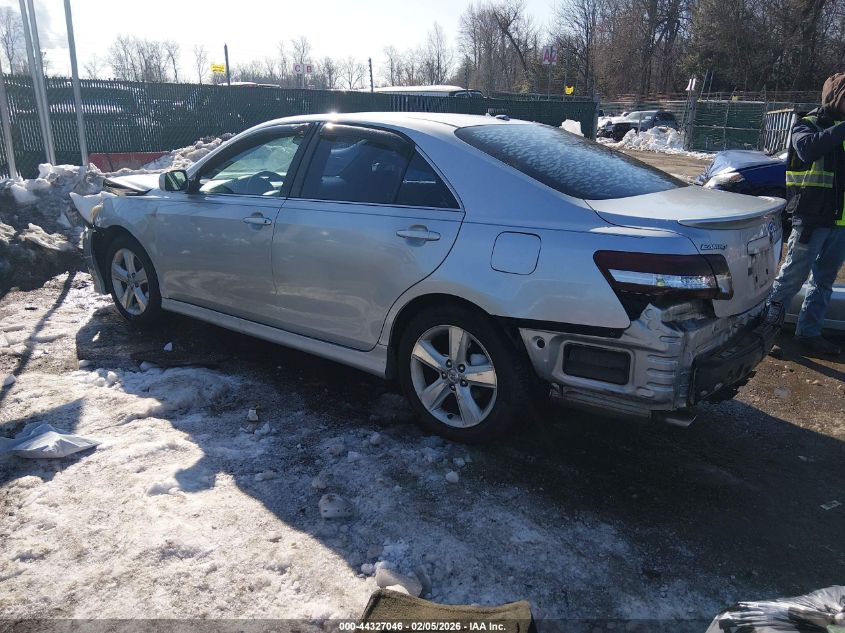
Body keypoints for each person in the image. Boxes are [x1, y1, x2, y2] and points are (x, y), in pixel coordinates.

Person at [769, 73, 845, 356]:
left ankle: (809, 334)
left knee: (823, 283)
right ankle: (767, 332)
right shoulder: (808, 124)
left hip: (840, 222)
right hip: (811, 218)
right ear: (833, 96)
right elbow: (807, 149)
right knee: (790, 279)